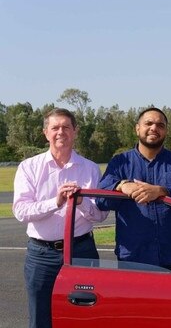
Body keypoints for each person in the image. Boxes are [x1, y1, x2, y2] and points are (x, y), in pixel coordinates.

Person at [13, 108, 108, 328]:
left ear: (75, 131)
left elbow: (101, 214)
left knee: (85, 316)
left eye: (66, 127)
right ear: (45, 132)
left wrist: (81, 202)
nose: (60, 132)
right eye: (55, 127)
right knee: (40, 317)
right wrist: (55, 202)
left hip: (81, 249)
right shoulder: (29, 167)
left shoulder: (91, 169)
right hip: (41, 254)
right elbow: (21, 211)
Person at [97, 107, 171, 273]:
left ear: (166, 131)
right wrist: (122, 185)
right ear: (137, 128)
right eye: (148, 123)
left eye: (160, 125)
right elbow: (101, 201)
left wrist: (161, 191)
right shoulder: (119, 162)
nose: (154, 128)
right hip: (133, 257)